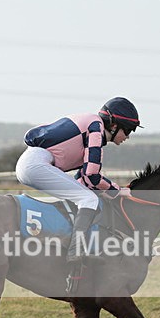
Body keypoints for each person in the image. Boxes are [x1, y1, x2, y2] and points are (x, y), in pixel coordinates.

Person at [16, 97, 142, 266]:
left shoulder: (93, 127)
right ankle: (75, 251)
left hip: (33, 162)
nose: (128, 136)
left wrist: (106, 190)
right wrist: (117, 190)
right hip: (36, 164)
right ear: (114, 126)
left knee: (86, 196)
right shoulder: (96, 128)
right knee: (89, 199)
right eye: (128, 130)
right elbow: (92, 175)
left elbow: (83, 178)